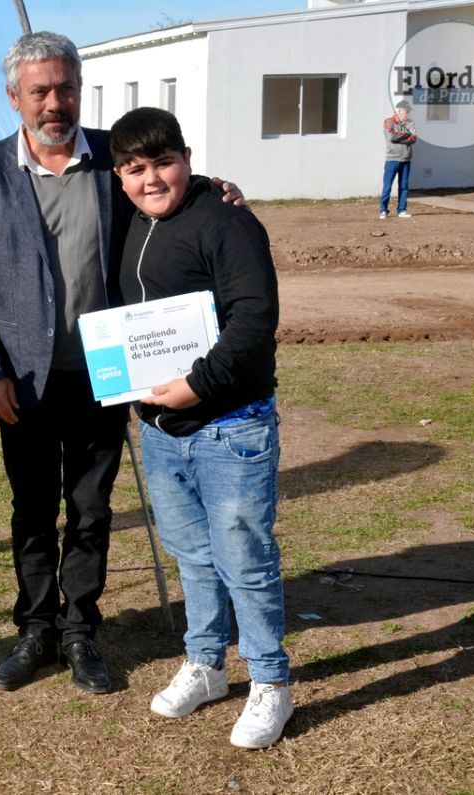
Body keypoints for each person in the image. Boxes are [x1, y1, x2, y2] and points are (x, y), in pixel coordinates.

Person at [0, 32, 243, 696]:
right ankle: (35, 628)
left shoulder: (115, 158)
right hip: (20, 380)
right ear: (14, 97)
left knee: (90, 508)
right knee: (31, 509)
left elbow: (170, 188)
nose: (56, 103)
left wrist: (217, 188)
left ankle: (80, 629)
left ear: (80, 88)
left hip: (105, 374)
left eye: (66, 88)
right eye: (41, 91)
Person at [109, 106, 292, 749]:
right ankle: (207, 664)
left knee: (245, 557)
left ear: (186, 157)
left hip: (229, 424)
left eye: (165, 163)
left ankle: (270, 681)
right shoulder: (134, 220)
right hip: (162, 430)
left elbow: (254, 319)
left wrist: (197, 386)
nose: (152, 179)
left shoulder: (226, 221)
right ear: (120, 176)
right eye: (135, 169)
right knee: (192, 556)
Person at [380, 99, 417, 219]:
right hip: (392, 159)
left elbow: (414, 138)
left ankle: (402, 210)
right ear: (399, 111)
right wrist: (405, 134)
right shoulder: (388, 122)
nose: (407, 114)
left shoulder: (410, 123)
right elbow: (391, 137)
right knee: (387, 186)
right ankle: (383, 210)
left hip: (406, 159)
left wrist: (400, 136)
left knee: (404, 186)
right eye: (406, 111)